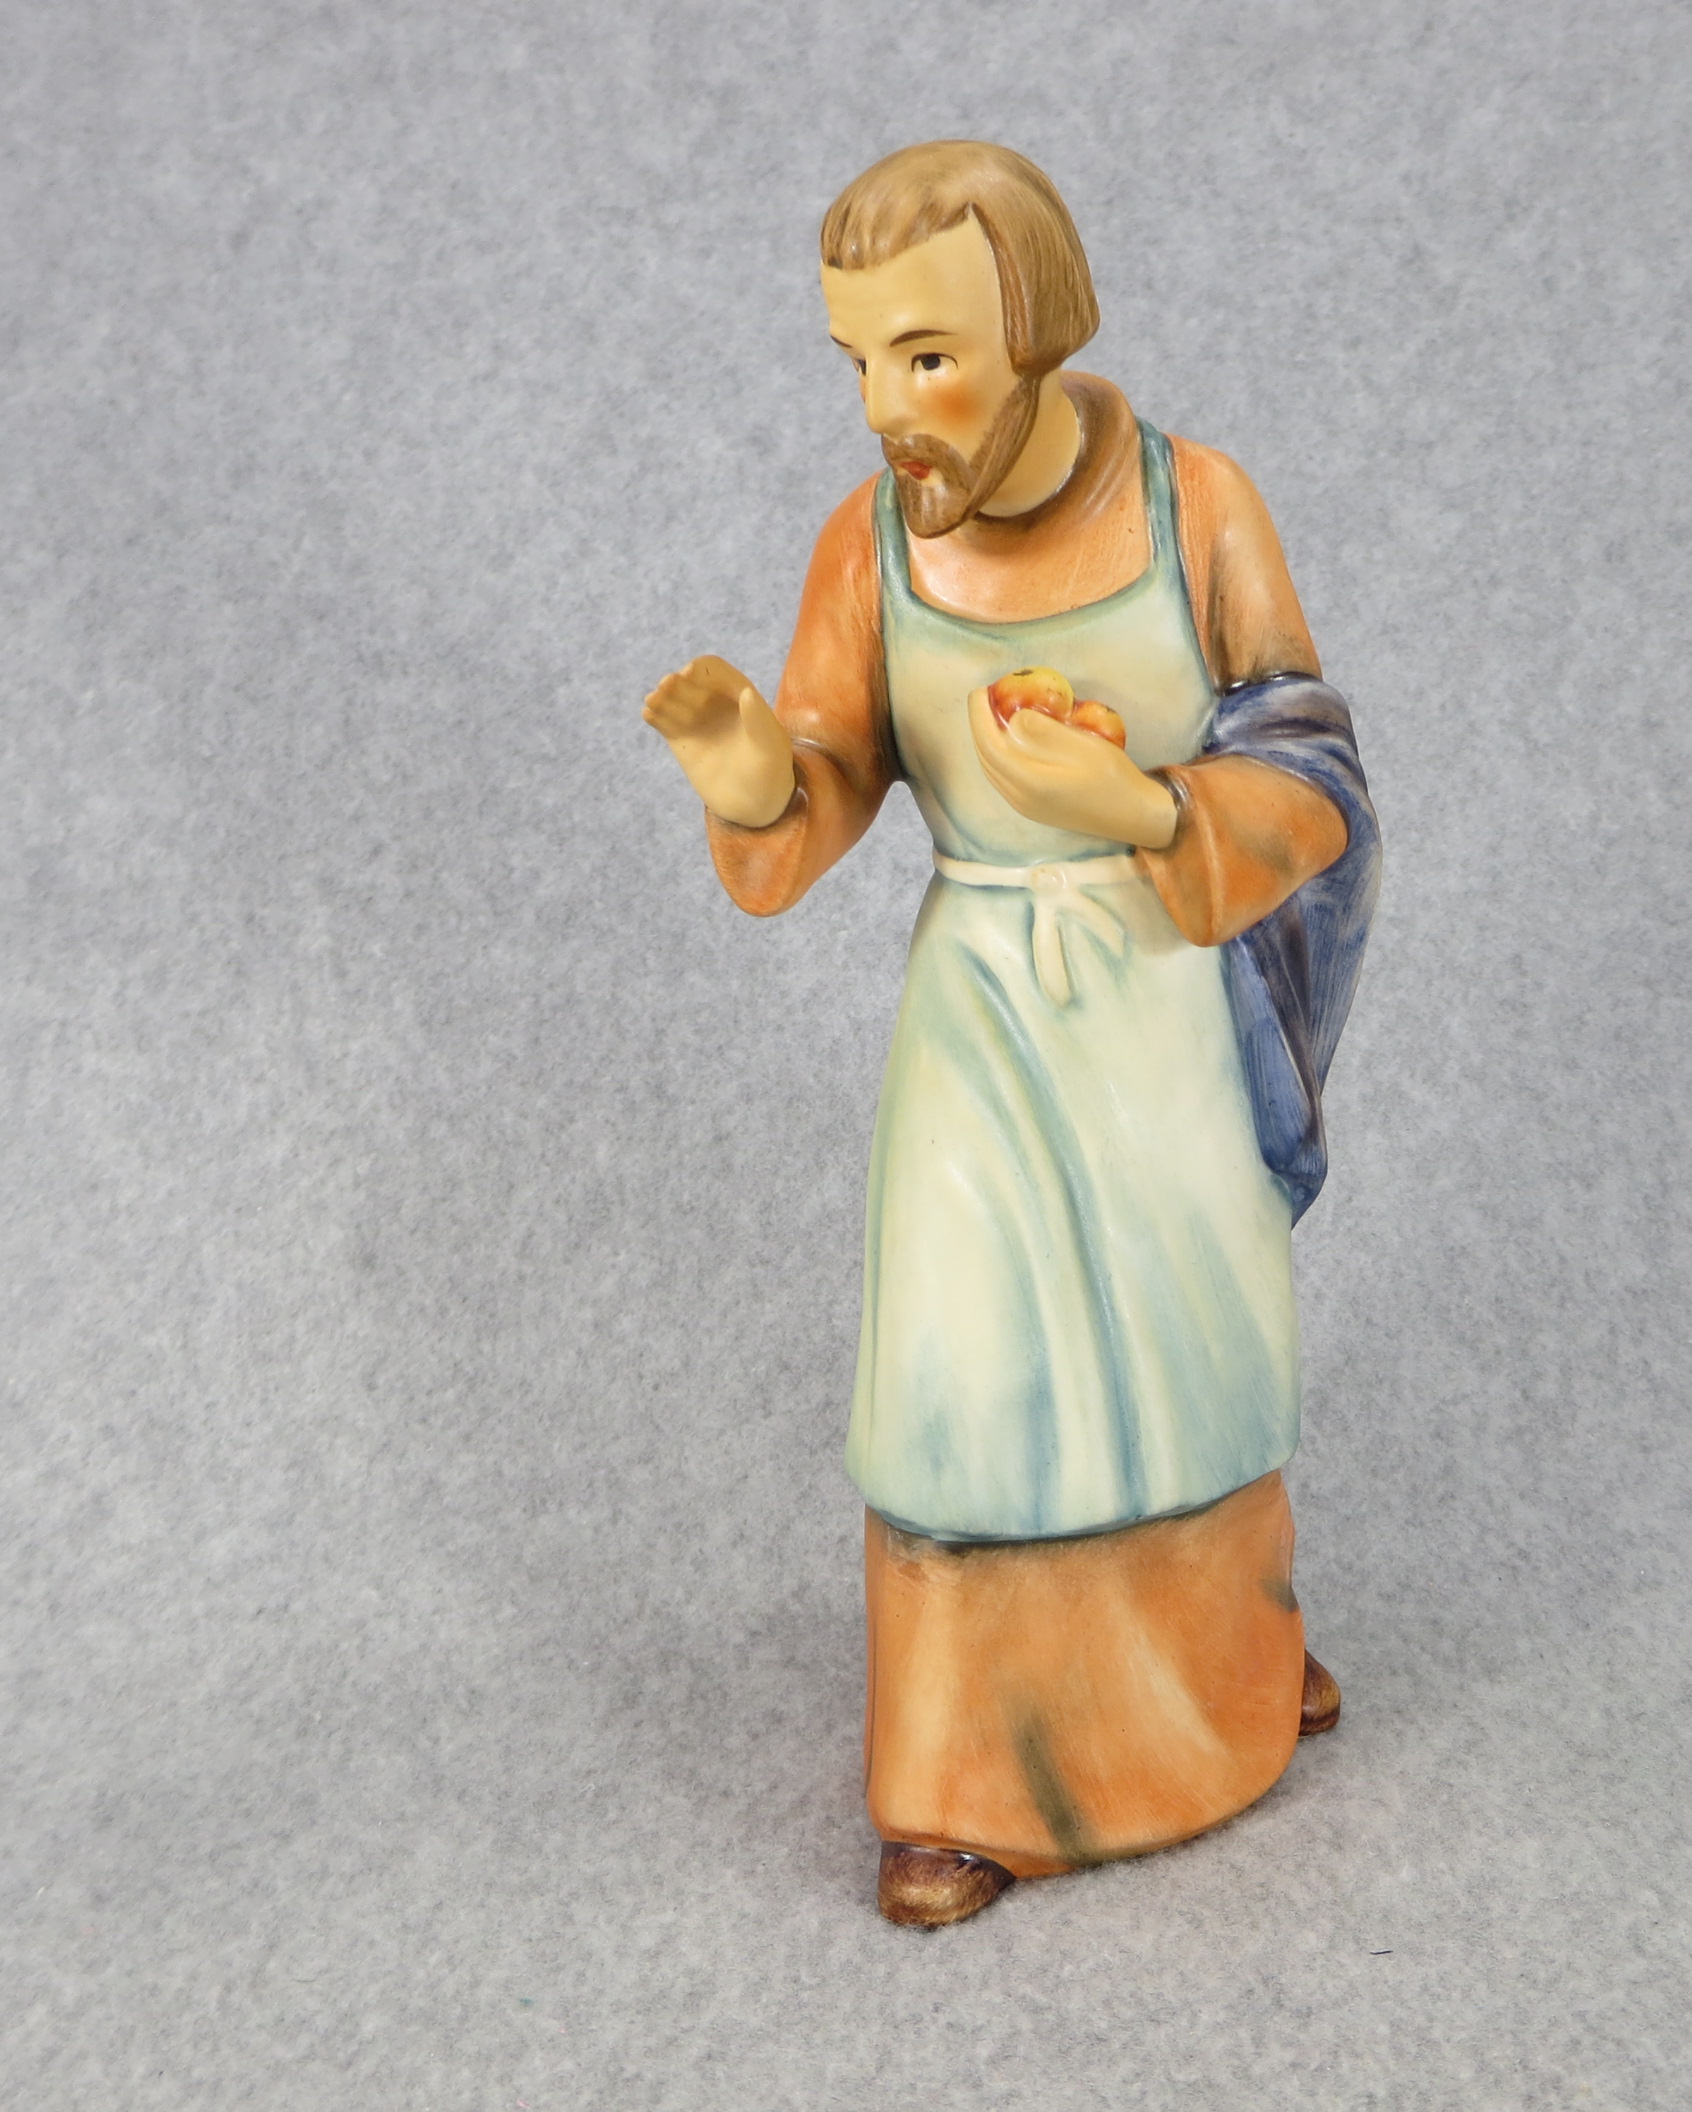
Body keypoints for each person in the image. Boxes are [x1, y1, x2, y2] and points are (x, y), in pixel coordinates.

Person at [643, 141, 1379, 1927]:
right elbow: (823, 785)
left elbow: (1314, 767)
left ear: (1035, 330)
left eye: (929, 357)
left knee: (1194, 1360)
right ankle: (961, 1784)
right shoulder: (871, 545)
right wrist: (750, 771)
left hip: (1160, 1005)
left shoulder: (1196, 507)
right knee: (968, 1387)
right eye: (858, 362)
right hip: (983, 1016)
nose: (888, 411)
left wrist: (1143, 807)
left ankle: (1227, 1671)